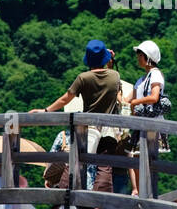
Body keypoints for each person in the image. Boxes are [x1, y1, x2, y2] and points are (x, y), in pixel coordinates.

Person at [32, 39, 121, 170]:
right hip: (109, 130)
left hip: (88, 128)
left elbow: (65, 99)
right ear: (105, 59)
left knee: (80, 165)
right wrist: (109, 58)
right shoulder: (115, 76)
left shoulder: (83, 78)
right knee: (104, 168)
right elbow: (111, 74)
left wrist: (46, 110)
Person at [128, 41, 167, 204]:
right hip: (141, 125)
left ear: (147, 57)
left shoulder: (156, 74)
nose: (138, 58)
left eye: (140, 55)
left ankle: (148, 202)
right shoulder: (141, 78)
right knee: (135, 158)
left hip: (151, 125)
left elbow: (154, 97)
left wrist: (135, 103)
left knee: (147, 163)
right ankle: (140, 197)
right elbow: (127, 100)